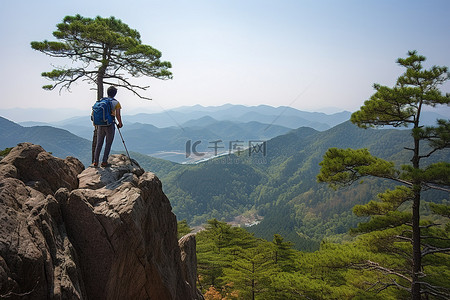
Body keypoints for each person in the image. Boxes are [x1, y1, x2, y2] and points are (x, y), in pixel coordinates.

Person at [93, 86, 123, 167]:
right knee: (108, 143)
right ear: (115, 94)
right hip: (110, 125)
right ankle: (104, 162)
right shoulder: (116, 103)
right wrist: (120, 123)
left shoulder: (101, 101)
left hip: (100, 125)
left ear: (107, 92)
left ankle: (95, 162)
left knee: (99, 143)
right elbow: (118, 115)